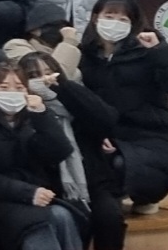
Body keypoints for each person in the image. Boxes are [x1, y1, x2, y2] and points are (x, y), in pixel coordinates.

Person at [78, 0, 168, 214]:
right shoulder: (83, 54)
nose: (115, 23)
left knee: (134, 167)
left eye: (123, 19)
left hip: (147, 134)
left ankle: (143, 196)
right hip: (99, 134)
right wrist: (97, 133)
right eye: (109, 16)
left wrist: (159, 50)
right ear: (95, 18)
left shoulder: (146, 51)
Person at [0, 63, 75, 250]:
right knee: (37, 225)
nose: (12, 93)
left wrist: (41, 114)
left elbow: (59, 151)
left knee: (62, 215)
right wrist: (27, 193)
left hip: (29, 195)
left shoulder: (28, 119)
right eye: (3, 87)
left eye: (19, 87)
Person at [17, 52, 123, 250]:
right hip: (49, 187)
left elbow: (107, 119)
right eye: (34, 76)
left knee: (109, 217)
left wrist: (64, 87)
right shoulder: (22, 111)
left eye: (48, 73)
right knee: (73, 219)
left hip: (91, 183)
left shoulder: (73, 100)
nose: (44, 79)